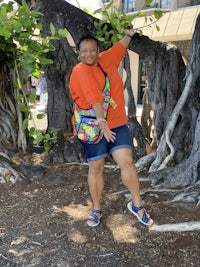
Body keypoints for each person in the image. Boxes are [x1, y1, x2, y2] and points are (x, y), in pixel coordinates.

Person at [69, 29, 153, 227]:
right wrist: (101, 122)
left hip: (115, 122)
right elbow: (94, 97)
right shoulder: (79, 70)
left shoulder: (107, 59)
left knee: (128, 162)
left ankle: (137, 205)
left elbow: (120, 47)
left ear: (98, 50)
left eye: (92, 50)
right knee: (96, 167)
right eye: (84, 51)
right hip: (92, 126)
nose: (88, 54)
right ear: (79, 53)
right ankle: (96, 208)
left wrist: (129, 35)